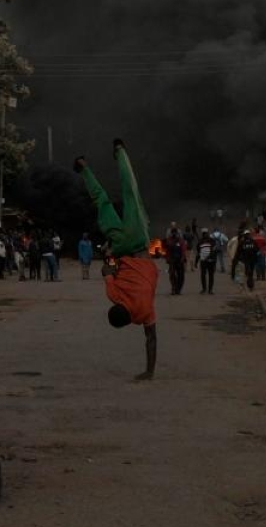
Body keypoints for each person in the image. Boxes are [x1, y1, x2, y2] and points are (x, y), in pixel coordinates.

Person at [74, 139, 158, 381]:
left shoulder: (145, 312)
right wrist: (110, 258)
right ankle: (84, 167)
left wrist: (149, 371)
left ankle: (120, 151)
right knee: (103, 200)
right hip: (121, 245)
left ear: (129, 321)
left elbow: (151, 338)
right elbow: (106, 270)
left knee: (132, 194)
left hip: (139, 244)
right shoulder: (113, 295)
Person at [164, 226, 186, 295]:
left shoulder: (181, 241)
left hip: (179, 260)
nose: (174, 234)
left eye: (175, 232)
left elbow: (183, 250)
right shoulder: (169, 240)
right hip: (172, 260)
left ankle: (178, 289)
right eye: (173, 232)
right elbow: (167, 250)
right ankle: (173, 288)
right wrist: (167, 259)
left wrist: (182, 258)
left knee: (181, 275)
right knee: (172, 275)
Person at [194, 228, 217, 294]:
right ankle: (204, 289)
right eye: (204, 233)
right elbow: (198, 253)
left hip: (211, 261)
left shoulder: (212, 241)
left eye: (206, 233)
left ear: (208, 233)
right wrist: (196, 262)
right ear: (202, 234)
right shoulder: (200, 242)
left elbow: (214, 251)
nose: (205, 235)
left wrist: (214, 261)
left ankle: (210, 290)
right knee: (203, 275)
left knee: (211, 275)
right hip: (203, 261)